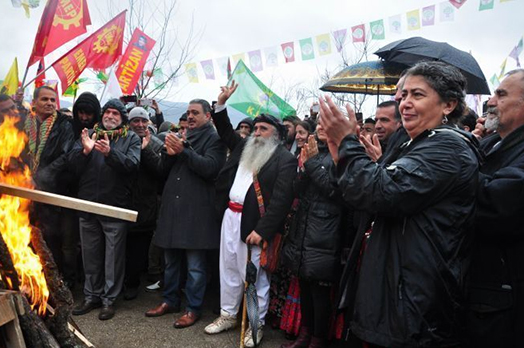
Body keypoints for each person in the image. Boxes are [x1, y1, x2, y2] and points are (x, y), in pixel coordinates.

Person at [320, 61, 479, 348]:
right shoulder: (414, 144)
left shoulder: (449, 149)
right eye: (403, 95)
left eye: (417, 95)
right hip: (391, 289)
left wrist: (347, 142)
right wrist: (340, 156)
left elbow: (381, 191)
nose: (405, 103)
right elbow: (363, 195)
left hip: (414, 302)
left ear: (449, 104)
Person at [204, 82, 297, 347]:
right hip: (230, 219)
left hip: (255, 226)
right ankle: (228, 315)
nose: (256, 132)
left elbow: (281, 201)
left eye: (263, 129)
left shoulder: (284, 160)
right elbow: (223, 130)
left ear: (276, 135)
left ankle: (255, 325)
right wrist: (220, 104)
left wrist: (263, 230)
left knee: (255, 280)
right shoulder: (246, 147)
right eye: (255, 128)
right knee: (229, 270)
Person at [146, 99, 227, 329]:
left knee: (195, 267)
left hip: (197, 213)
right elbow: (162, 172)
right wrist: (170, 154)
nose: (190, 116)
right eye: (188, 113)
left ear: (208, 116)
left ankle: (193, 309)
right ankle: (170, 301)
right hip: (174, 209)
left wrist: (184, 151)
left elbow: (211, 169)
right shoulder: (183, 135)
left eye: (195, 113)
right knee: (170, 262)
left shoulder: (215, 139)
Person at [466, 69, 524, 348]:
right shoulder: (490, 144)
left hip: (503, 298)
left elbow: (498, 203)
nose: (490, 101)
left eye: (501, 94)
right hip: (477, 291)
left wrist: (454, 167)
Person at [70, 99, 141, 321]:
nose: (110, 117)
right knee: (90, 256)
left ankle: (109, 300)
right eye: (107, 113)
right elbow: (71, 166)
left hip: (115, 207)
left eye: (115, 114)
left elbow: (132, 165)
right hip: (88, 204)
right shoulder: (89, 134)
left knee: (113, 258)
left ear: (122, 118)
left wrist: (111, 154)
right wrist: (84, 151)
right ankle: (91, 296)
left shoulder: (131, 138)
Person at [280, 123, 346, 348]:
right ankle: (304, 336)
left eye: (326, 125)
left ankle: (317, 340)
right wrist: (303, 168)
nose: (320, 128)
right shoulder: (312, 152)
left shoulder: (342, 154)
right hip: (304, 228)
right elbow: (297, 190)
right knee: (305, 288)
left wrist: (312, 163)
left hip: (325, 232)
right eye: (318, 125)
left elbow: (334, 190)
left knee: (319, 292)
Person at [24, 86, 75, 273]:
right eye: (45, 99)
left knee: (52, 239)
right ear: (34, 103)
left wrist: (39, 178)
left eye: (53, 100)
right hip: (25, 189)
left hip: (53, 191)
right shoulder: (24, 123)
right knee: (29, 235)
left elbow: (65, 157)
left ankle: (57, 281)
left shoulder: (64, 125)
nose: (49, 103)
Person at [124, 107, 164, 301]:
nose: (139, 124)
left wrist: (146, 150)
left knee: (138, 250)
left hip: (145, 206)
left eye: (143, 121)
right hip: (122, 202)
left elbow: (161, 171)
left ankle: (132, 284)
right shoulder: (121, 140)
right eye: (135, 121)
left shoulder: (156, 144)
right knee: (121, 249)